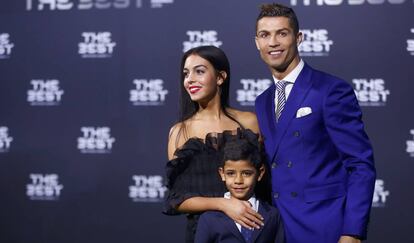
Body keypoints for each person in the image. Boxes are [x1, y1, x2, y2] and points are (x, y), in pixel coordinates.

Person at [253, 3, 376, 243]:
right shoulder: (262, 101)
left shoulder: (330, 90)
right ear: (256, 42)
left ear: (298, 38)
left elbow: (360, 164)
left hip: (324, 227)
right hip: (277, 230)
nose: (273, 42)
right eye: (265, 35)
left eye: (282, 33)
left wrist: (352, 233)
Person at [164, 46, 266, 243]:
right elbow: (176, 200)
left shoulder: (249, 122)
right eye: (186, 74)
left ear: (220, 77)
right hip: (205, 234)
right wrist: (224, 204)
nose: (190, 79)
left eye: (199, 71)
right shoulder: (179, 132)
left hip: (252, 229)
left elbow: (264, 182)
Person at [195, 136, 285, 243]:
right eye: (231, 173)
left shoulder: (272, 215)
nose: (238, 180)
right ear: (222, 174)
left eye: (247, 173)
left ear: (260, 173)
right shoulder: (209, 219)